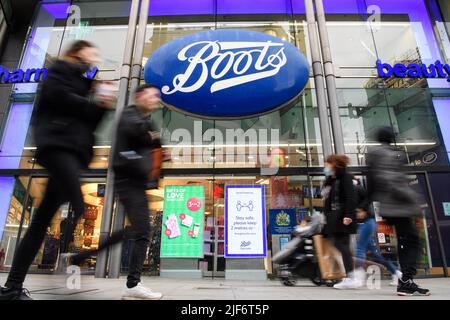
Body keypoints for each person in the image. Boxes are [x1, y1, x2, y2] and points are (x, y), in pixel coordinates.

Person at [0, 40, 114, 300]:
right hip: (57, 146)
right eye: (91, 52)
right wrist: (91, 101)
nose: (94, 57)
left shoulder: (84, 84)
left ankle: (13, 286)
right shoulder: (59, 71)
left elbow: (90, 121)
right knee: (79, 204)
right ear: (77, 52)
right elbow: (58, 99)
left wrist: (102, 106)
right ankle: (74, 254)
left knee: (41, 222)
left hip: (72, 152)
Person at [68, 84, 164, 300]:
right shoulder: (129, 115)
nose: (155, 99)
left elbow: (152, 146)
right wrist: (152, 139)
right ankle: (132, 284)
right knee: (143, 232)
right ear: (139, 96)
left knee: (138, 230)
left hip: (137, 183)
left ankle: (84, 255)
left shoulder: (146, 121)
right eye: (151, 95)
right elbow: (135, 136)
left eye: (157, 97)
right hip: (127, 181)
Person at [366, 126, 430, 296]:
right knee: (414, 241)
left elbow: (372, 182)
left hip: (388, 207)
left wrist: (368, 203)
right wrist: (414, 198)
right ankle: (406, 280)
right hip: (399, 206)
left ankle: (405, 281)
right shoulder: (392, 155)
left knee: (405, 241)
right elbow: (393, 181)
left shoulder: (373, 156)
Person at [352, 177, 402, 286]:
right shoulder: (355, 190)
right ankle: (397, 273)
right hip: (365, 223)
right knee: (375, 254)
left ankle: (358, 277)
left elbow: (369, 198)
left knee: (360, 248)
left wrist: (361, 209)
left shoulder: (357, 188)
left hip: (365, 223)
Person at [321, 155, 360, 289]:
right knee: (339, 244)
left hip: (343, 217)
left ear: (334, 164)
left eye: (327, 164)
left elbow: (351, 197)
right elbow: (328, 200)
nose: (325, 167)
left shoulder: (345, 177)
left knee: (341, 244)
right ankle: (351, 276)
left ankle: (352, 276)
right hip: (335, 218)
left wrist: (349, 215)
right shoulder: (332, 180)